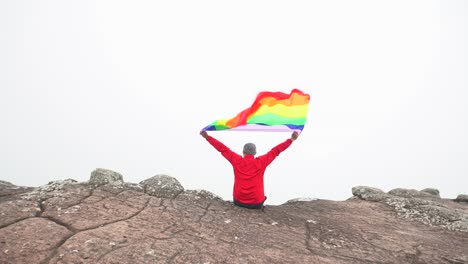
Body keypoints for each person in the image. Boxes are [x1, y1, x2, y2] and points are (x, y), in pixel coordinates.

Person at [200, 130, 299, 209]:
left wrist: (207, 137)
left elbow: (222, 148)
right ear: (255, 152)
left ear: (243, 152)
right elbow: (276, 151)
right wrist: (291, 140)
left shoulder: (237, 160)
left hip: (238, 201)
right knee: (260, 197)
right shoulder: (261, 162)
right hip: (256, 203)